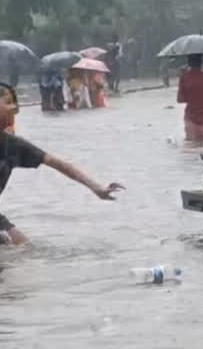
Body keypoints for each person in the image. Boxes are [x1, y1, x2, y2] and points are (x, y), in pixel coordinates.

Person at [0, 82, 123, 244]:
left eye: (14, 103)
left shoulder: (13, 145)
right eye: (8, 102)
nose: (14, 108)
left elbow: (58, 164)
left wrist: (97, 188)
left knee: (24, 248)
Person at [177, 54, 203, 142]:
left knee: (193, 149)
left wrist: (182, 79)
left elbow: (180, 99)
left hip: (191, 120)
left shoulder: (184, 77)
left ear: (189, 63)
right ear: (201, 63)